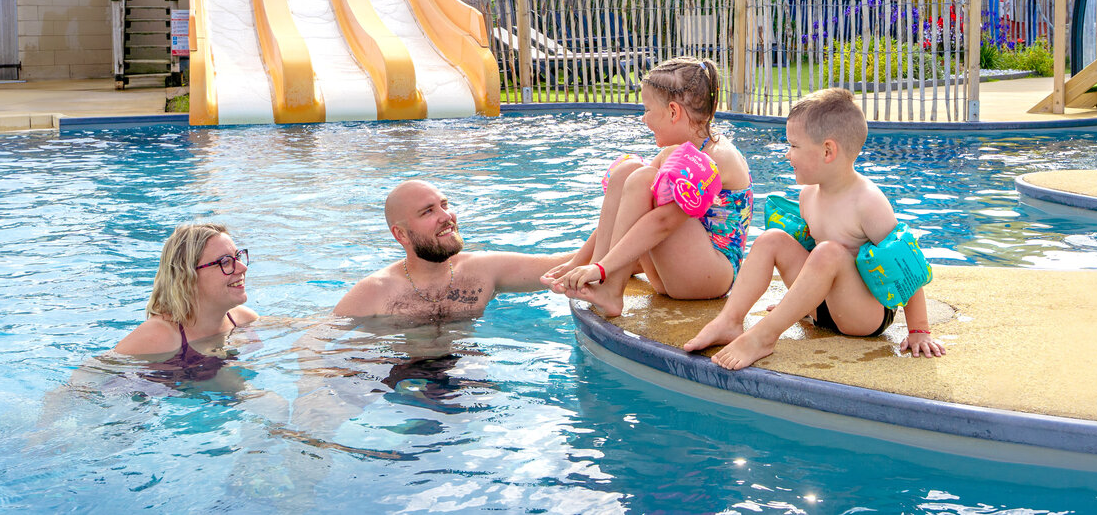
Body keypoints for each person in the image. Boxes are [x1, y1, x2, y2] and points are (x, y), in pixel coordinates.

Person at [683, 87, 946, 369]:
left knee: (829, 252)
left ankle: (764, 336)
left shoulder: (867, 202)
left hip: (861, 316)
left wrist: (919, 330)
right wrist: (793, 305)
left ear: (828, 151)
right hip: (820, 308)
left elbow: (907, 266)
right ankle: (729, 321)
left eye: (794, 146)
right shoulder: (808, 195)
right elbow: (807, 259)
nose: (787, 154)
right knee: (772, 239)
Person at [543, 57, 753, 318]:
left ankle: (609, 288)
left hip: (711, 275)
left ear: (674, 112)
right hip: (676, 273)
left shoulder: (716, 157)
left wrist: (603, 266)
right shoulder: (676, 153)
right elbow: (624, 211)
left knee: (644, 180)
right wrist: (581, 263)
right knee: (628, 172)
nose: (643, 119)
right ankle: (602, 285)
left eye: (648, 110)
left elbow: (663, 221)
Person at [332, 180, 568, 323]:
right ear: (401, 234)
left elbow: (567, 265)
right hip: (395, 378)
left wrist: (607, 206)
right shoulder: (376, 291)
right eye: (428, 211)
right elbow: (316, 342)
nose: (447, 217)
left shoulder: (484, 270)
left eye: (444, 205)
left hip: (464, 375)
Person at [113, 222, 259, 378]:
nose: (243, 267)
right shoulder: (160, 335)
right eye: (225, 262)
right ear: (187, 277)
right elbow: (90, 380)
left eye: (238, 256)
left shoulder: (243, 320)